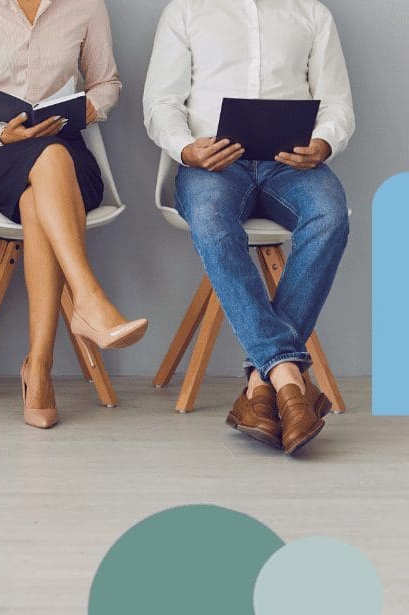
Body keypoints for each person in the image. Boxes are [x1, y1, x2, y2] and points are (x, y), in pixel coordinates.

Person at [143, 0, 354, 454]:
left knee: (331, 216)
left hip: (290, 165)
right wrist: (186, 149)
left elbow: (337, 103)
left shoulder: (311, 13)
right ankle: (289, 380)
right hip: (213, 165)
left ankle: (264, 384)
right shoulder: (185, 10)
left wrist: (323, 142)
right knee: (215, 225)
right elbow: (160, 103)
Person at [0, 0, 148, 429]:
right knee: (45, 169)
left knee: (40, 191)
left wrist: (85, 110)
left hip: (67, 155)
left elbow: (106, 82)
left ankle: (38, 366)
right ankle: (88, 300)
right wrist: (0, 131)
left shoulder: (86, 4)